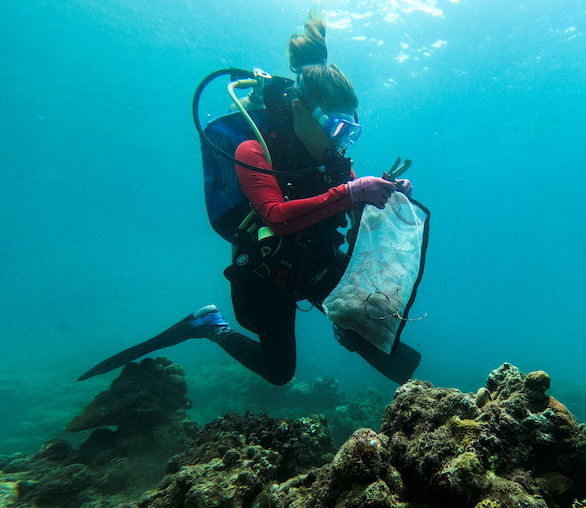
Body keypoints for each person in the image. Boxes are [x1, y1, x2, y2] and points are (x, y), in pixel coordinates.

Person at [79, 16, 421, 386]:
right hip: (268, 273)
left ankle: (372, 353)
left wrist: (386, 193)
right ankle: (209, 326)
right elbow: (275, 216)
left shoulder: (330, 161)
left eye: (350, 131)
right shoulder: (253, 149)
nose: (340, 142)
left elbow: (353, 205)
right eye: (335, 128)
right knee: (280, 371)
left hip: (316, 263)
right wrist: (354, 191)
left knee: (378, 333)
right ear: (300, 110)